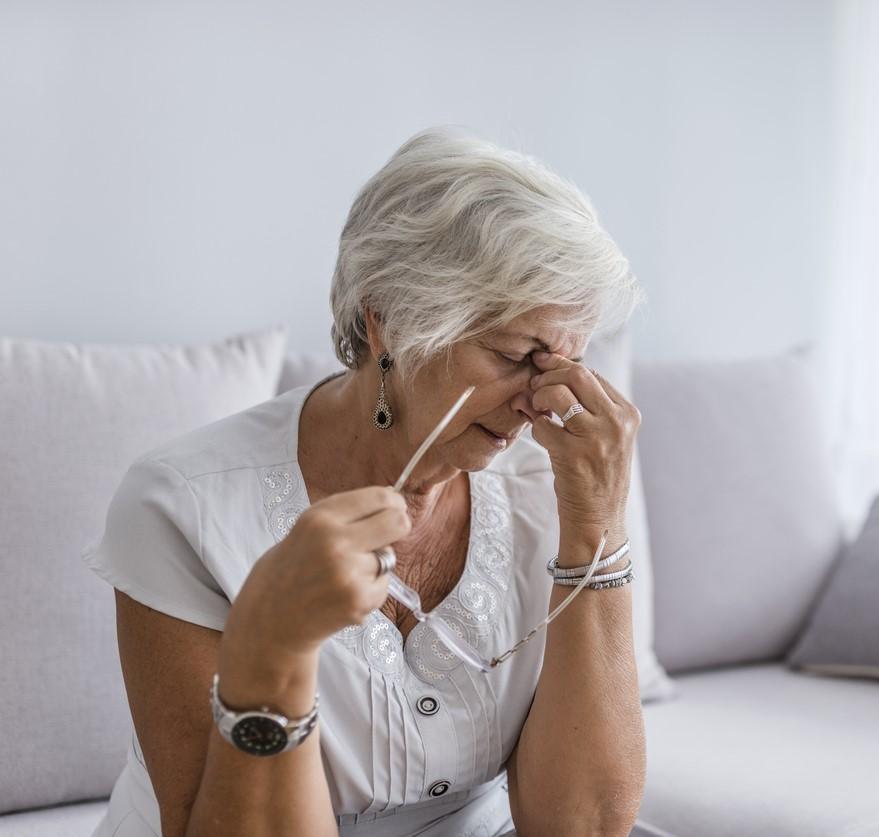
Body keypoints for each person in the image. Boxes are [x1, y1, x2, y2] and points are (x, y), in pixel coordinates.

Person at [83, 125, 648, 836]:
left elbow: (582, 826)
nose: (543, 401)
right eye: (515, 355)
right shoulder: (184, 506)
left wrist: (596, 529)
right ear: (388, 322)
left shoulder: (553, 483)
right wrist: (272, 649)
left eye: (567, 361)